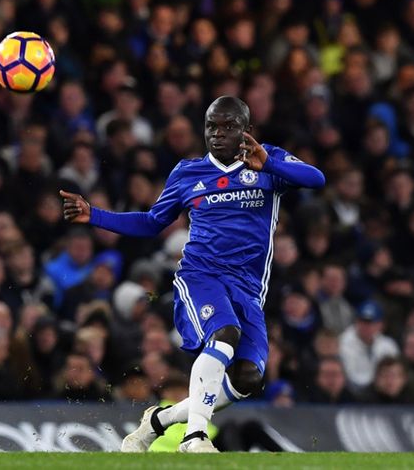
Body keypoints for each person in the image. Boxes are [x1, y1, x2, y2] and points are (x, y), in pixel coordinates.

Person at [61, 96, 325, 452]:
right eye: (211, 126)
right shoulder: (188, 172)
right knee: (224, 334)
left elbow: (317, 178)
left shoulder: (268, 161)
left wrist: (270, 166)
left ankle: (158, 421)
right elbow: (153, 222)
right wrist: (95, 215)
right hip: (201, 275)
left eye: (228, 126)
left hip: (247, 288)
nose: (218, 134)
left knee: (247, 378)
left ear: (247, 130)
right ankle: (195, 436)